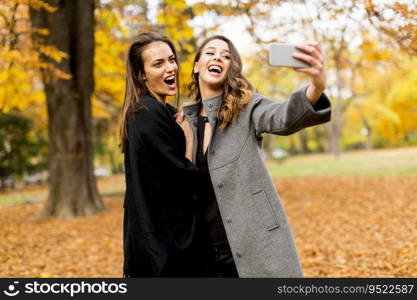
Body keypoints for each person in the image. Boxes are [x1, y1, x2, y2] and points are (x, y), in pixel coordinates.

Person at [177, 35, 332, 277]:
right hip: (204, 252)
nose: (218, 57)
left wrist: (316, 87)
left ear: (230, 69)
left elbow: (284, 117)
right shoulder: (183, 120)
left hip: (255, 245)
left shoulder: (247, 108)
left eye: (226, 56)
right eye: (210, 52)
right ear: (196, 66)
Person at [119, 32, 206, 277]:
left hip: (160, 243)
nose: (171, 68)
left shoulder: (160, 111)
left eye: (171, 59)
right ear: (142, 74)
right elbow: (182, 181)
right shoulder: (147, 114)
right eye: (158, 64)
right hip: (164, 250)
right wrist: (189, 140)